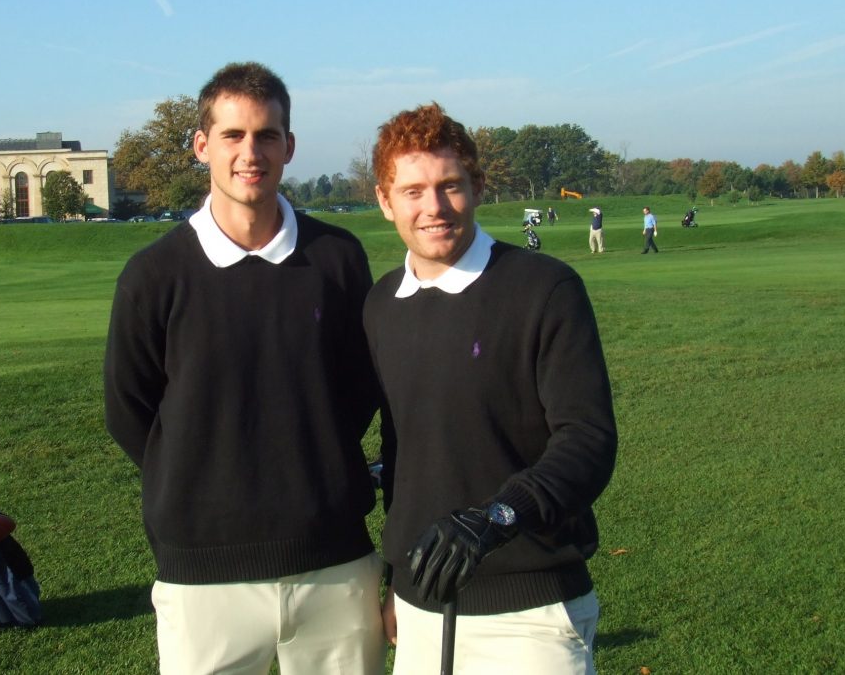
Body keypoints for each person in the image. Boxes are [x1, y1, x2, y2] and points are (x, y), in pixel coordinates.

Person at [103, 61, 386, 675]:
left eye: (266, 135)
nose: (249, 152)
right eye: (232, 135)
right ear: (202, 145)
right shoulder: (154, 275)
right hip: (202, 576)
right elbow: (129, 410)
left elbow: (360, 388)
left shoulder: (337, 258)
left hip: (333, 565)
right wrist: (202, 479)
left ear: (289, 145)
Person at [364, 102, 617, 674]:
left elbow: (587, 440)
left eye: (450, 185)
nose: (434, 207)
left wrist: (498, 516)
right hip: (420, 608)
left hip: (530, 612)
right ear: (385, 201)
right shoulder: (380, 305)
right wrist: (398, 579)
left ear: (477, 186)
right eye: (412, 191)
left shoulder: (544, 289)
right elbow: (407, 450)